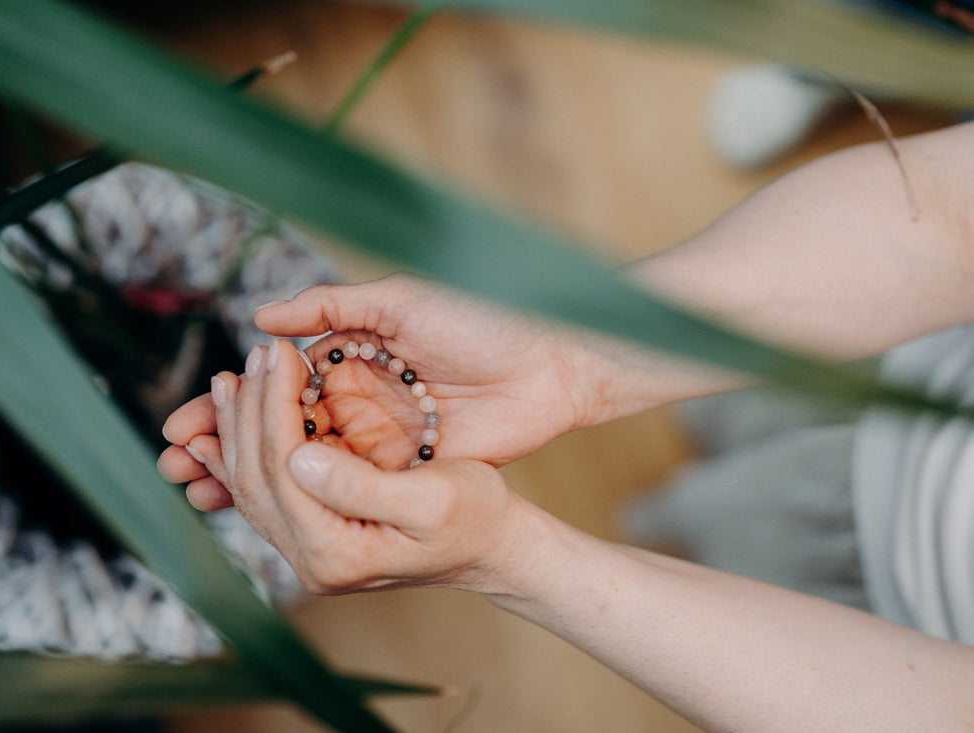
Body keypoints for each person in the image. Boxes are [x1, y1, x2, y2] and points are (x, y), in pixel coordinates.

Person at [157, 120, 974, 730]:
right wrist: (574, 361)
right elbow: (945, 216)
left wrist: (512, 556)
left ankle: (668, 521)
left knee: (730, 537)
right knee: (720, 466)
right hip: (881, 361)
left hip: (843, 654)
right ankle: (673, 510)